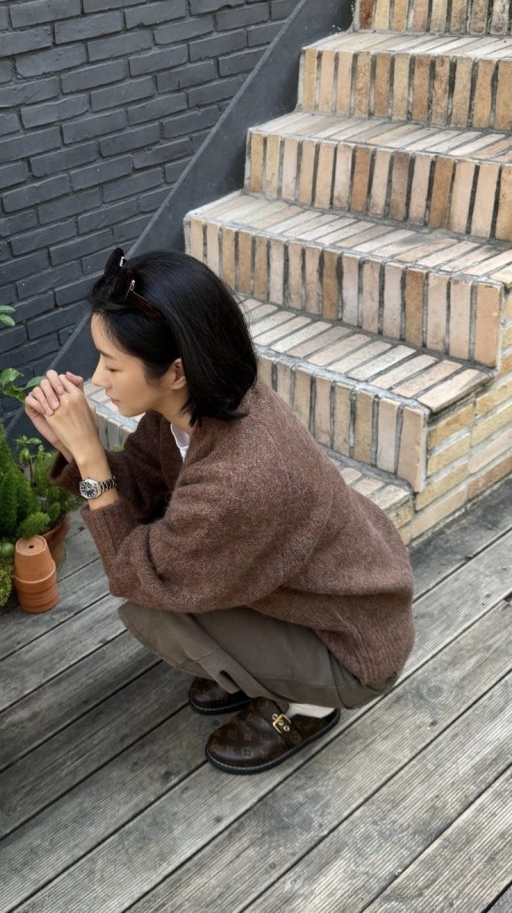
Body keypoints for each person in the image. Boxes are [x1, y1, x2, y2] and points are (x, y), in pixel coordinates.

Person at [24, 248, 414, 774]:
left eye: (112, 365)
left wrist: (92, 457)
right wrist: (75, 449)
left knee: (154, 609)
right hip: (333, 590)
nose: (98, 379)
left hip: (350, 647)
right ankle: (255, 669)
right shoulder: (202, 403)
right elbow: (140, 484)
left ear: (177, 370)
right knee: (170, 571)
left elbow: (136, 573)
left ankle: (308, 707)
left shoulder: (241, 473)